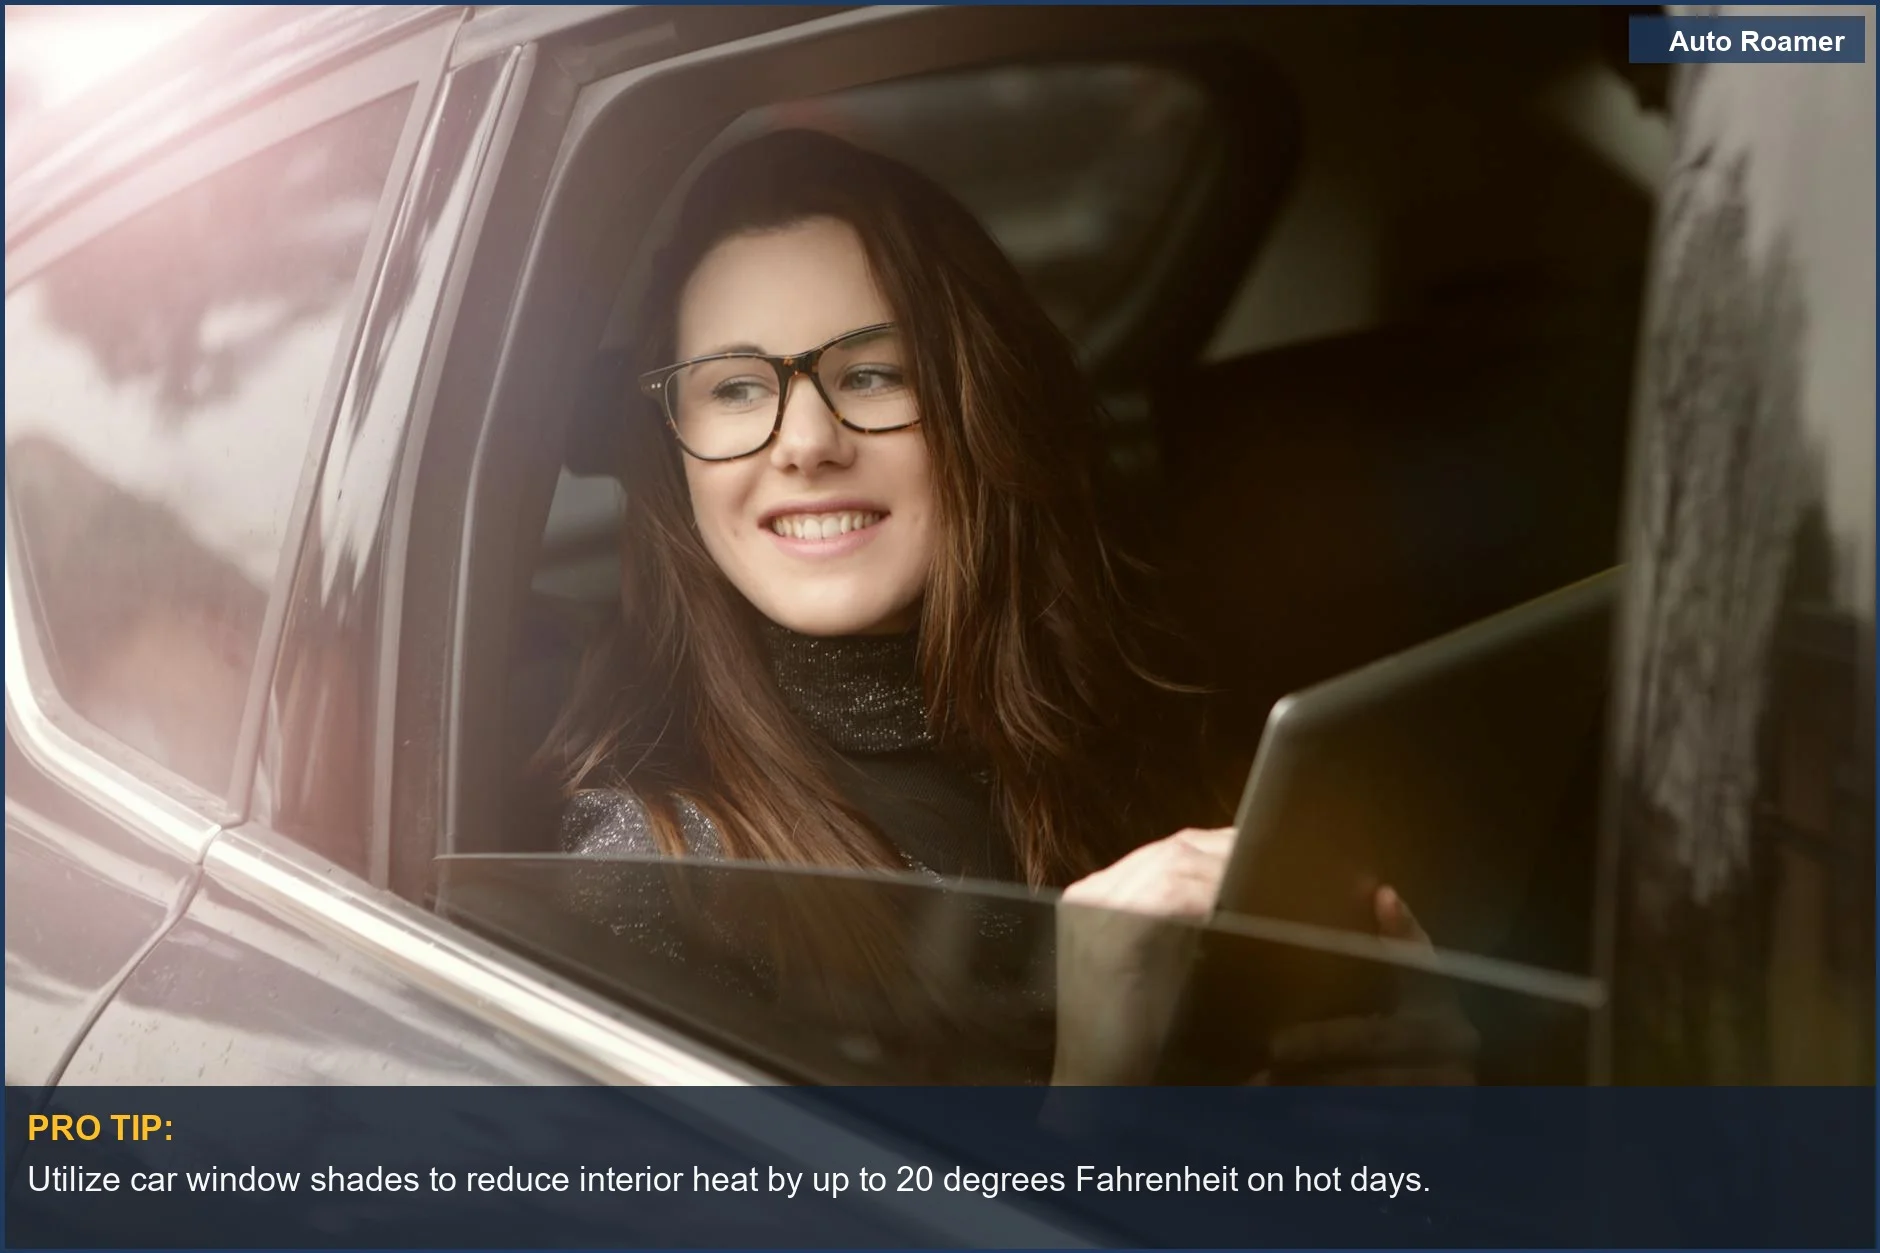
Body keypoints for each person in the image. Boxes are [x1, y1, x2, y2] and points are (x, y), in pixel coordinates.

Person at [535, 129, 1473, 1084]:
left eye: (871, 373)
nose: (806, 442)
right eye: (735, 388)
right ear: (674, 445)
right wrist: (1097, 1097)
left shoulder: (1126, 715)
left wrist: (1408, 1100)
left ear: (976, 404)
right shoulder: (654, 870)